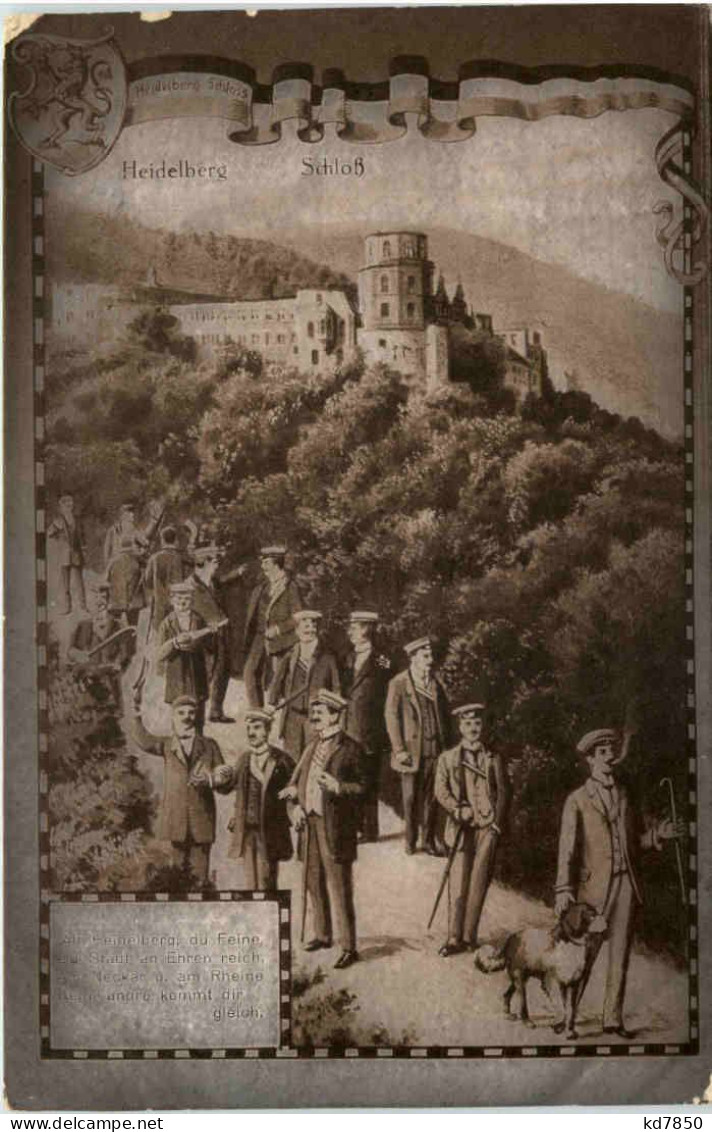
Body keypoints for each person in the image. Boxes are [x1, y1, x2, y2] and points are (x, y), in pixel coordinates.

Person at [555, 728, 684, 1038]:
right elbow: (567, 849)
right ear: (589, 759)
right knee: (583, 955)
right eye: (602, 752)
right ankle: (567, 1015)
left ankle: (612, 1019)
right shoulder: (577, 800)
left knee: (620, 956)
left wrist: (657, 836)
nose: (610, 756)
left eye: (611, 750)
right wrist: (563, 889)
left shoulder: (625, 795)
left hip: (626, 884)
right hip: (592, 890)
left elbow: (635, 841)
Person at [282, 689, 366, 969]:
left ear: (335, 715)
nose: (314, 717)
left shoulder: (351, 748)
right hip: (309, 824)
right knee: (313, 881)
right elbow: (295, 782)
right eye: (313, 712)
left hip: (335, 828)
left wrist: (339, 787)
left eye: (320, 712)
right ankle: (323, 934)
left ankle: (349, 947)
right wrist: (294, 804)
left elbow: (364, 789)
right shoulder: (311, 746)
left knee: (340, 887)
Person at [435, 701, 509, 956]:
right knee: (458, 882)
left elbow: (504, 792)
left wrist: (497, 824)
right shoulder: (447, 758)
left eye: (477, 723)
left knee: (478, 883)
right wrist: (457, 809)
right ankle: (454, 938)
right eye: (467, 723)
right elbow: (440, 791)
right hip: (459, 828)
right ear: (460, 726)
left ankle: (469, 936)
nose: (473, 728)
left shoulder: (494, 757)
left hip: (487, 828)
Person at [130, 694, 224, 887]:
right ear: (173, 717)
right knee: (177, 880)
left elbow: (225, 780)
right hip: (176, 823)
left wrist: (211, 779)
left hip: (202, 823)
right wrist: (136, 711)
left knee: (200, 881)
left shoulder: (210, 746)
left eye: (191, 713)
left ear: (197, 717)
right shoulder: (166, 745)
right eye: (181, 713)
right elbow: (142, 739)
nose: (186, 717)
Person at [212, 708, 293, 889]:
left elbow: (297, 784)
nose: (251, 733)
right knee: (250, 882)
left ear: (267, 730)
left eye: (257, 727)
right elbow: (229, 786)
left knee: (267, 881)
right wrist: (217, 780)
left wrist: (293, 793)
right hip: (247, 829)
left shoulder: (282, 760)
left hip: (271, 829)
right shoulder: (244, 759)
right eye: (249, 728)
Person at [385, 637, 451, 856]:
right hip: (411, 753)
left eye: (430, 655)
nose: (430, 660)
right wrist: (399, 749)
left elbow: (444, 715)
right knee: (411, 798)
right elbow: (391, 716)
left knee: (434, 797)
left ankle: (430, 840)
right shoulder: (399, 682)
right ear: (413, 658)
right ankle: (411, 841)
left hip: (435, 750)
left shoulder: (435, 682)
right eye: (425, 656)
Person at [267, 610, 340, 763]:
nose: (309, 630)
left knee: (313, 759)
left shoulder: (328, 657)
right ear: (297, 631)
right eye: (304, 627)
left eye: (312, 627)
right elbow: (277, 680)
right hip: (292, 717)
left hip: (316, 717)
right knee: (290, 759)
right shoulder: (291, 655)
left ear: (317, 631)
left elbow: (336, 688)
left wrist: (335, 714)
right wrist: (271, 703)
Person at [342, 610, 389, 842]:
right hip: (348, 729)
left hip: (371, 730)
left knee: (369, 781)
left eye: (355, 626)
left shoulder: (382, 661)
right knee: (351, 778)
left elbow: (388, 696)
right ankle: (353, 826)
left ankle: (370, 830)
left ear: (367, 629)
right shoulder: (349, 658)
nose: (350, 631)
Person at [243, 546, 302, 707]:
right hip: (259, 637)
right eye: (263, 563)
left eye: (267, 563)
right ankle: (256, 711)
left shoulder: (291, 587)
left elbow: (298, 617)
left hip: (282, 640)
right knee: (250, 673)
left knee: (280, 681)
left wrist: (278, 629)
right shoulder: (262, 586)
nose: (263, 567)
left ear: (277, 564)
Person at [155, 581, 215, 733]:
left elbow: (210, 648)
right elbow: (160, 654)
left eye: (186, 599)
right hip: (177, 677)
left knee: (198, 720)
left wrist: (210, 634)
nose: (182, 602)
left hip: (197, 676)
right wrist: (174, 642)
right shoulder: (167, 623)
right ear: (171, 600)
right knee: (179, 720)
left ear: (192, 600)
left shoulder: (198, 620)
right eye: (178, 598)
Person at [189, 543, 232, 723]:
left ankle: (216, 710)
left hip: (220, 634)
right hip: (202, 637)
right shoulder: (190, 586)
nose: (217, 566)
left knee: (222, 672)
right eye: (214, 562)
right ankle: (194, 715)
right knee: (201, 677)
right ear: (203, 563)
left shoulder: (212, 581)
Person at [47, 492, 86, 616]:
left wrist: (84, 548)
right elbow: (49, 533)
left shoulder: (77, 519)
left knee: (79, 581)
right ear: (62, 504)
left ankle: (82, 606)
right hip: (64, 554)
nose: (71, 504)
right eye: (68, 502)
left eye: (71, 501)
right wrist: (57, 533)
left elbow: (82, 536)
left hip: (76, 553)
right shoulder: (58, 520)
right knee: (65, 583)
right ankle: (66, 607)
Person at [143, 526, 187, 630]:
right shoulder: (181, 558)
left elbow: (147, 582)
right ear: (175, 540)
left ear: (162, 540)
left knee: (160, 634)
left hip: (160, 604)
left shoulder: (154, 558)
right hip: (178, 603)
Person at [103, 499, 162, 570]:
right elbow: (107, 551)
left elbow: (145, 538)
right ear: (123, 514)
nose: (133, 515)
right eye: (129, 512)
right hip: (123, 562)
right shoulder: (114, 530)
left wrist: (153, 521)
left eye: (132, 512)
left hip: (123, 563)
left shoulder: (132, 529)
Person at [107, 535, 145, 631]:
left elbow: (105, 580)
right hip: (133, 603)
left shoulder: (113, 561)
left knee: (110, 631)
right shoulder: (137, 560)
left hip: (115, 603)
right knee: (134, 631)